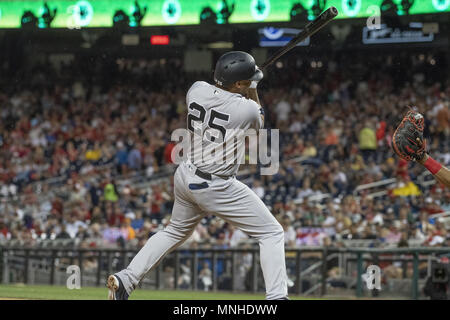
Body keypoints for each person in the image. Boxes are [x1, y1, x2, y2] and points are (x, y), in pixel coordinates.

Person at [107, 51, 289, 300]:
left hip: (186, 174)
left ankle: (126, 279)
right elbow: (259, 122)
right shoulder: (244, 109)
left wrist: (243, 82)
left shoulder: (196, 89)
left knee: (173, 232)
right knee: (271, 233)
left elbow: (226, 90)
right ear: (238, 84)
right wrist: (254, 85)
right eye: (242, 82)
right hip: (216, 185)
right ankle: (277, 298)